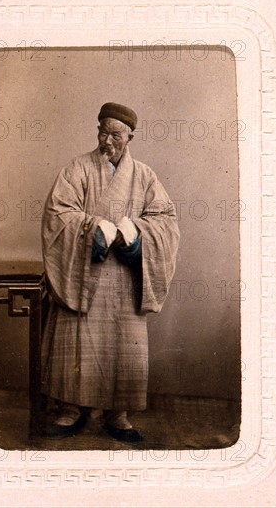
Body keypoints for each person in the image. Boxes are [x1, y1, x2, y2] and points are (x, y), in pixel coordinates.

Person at [40, 102, 180, 443]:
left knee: (123, 345)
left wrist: (137, 235)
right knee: (75, 341)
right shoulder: (77, 169)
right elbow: (57, 214)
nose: (107, 140)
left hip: (123, 280)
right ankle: (70, 410)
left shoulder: (144, 176)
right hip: (83, 273)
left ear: (130, 136)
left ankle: (119, 414)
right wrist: (92, 230)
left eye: (115, 134)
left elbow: (166, 221)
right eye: (102, 131)